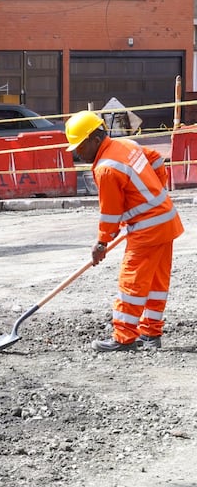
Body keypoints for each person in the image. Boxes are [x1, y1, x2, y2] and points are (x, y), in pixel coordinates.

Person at [64, 109, 184, 352]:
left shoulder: (106, 168)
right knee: (156, 281)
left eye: (80, 146)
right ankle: (150, 333)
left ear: (94, 138)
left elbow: (110, 213)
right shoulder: (127, 144)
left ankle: (124, 337)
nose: (78, 153)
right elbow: (157, 161)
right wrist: (155, 193)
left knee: (132, 282)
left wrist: (102, 243)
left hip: (147, 230)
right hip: (166, 220)